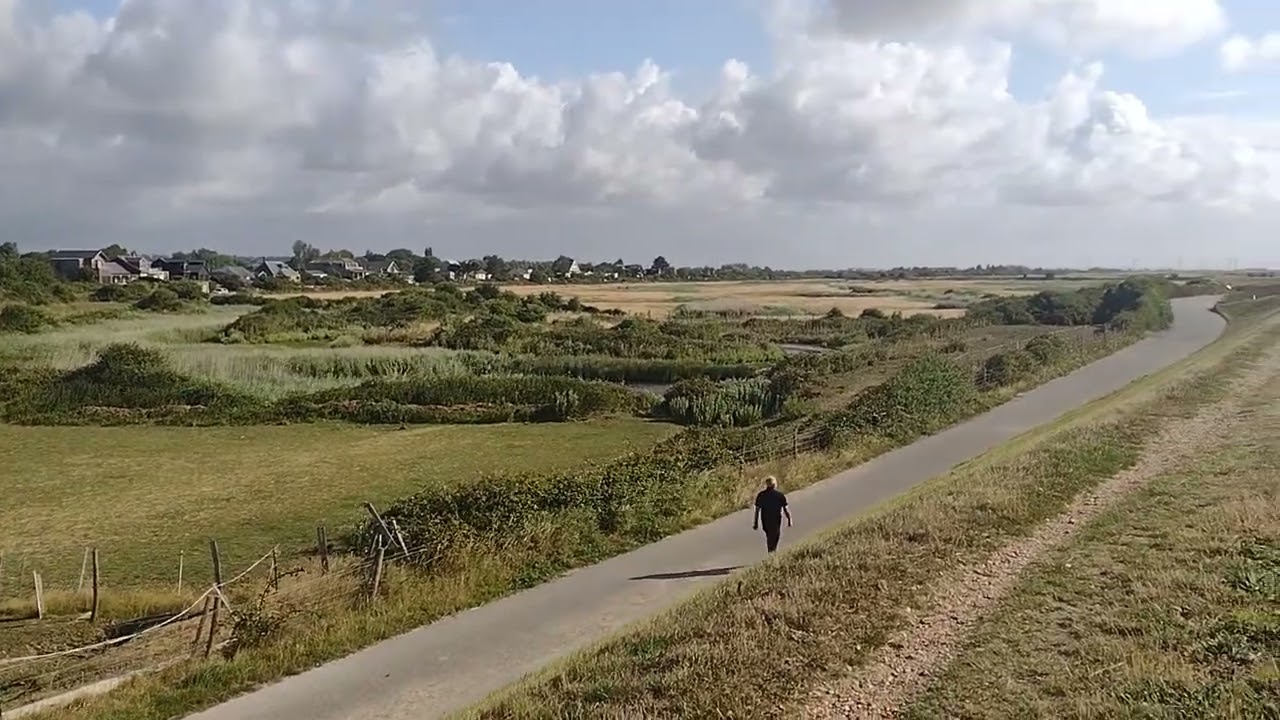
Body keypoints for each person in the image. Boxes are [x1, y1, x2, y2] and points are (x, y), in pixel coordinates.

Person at [752, 476, 792, 554]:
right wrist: (789, 519)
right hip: (776, 520)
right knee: (775, 536)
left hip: (765, 519)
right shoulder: (779, 495)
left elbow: (757, 510)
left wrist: (756, 522)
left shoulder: (761, 495)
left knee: (769, 535)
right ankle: (772, 552)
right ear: (774, 484)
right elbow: (785, 509)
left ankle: (771, 551)